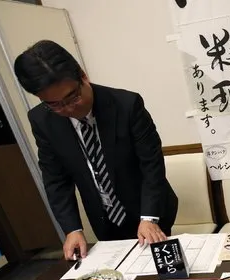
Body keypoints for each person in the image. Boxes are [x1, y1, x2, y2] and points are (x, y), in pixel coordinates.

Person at [14, 40, 178, 260]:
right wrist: (72, 229)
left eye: (73, 97)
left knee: (158, 272)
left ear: (83, 76)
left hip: (149, 211)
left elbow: (151, 165)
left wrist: (149, 218)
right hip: (104, 219)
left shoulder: (126, 104)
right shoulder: (42, 120)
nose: (69, 108)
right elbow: (55, 179)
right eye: (55, 104)